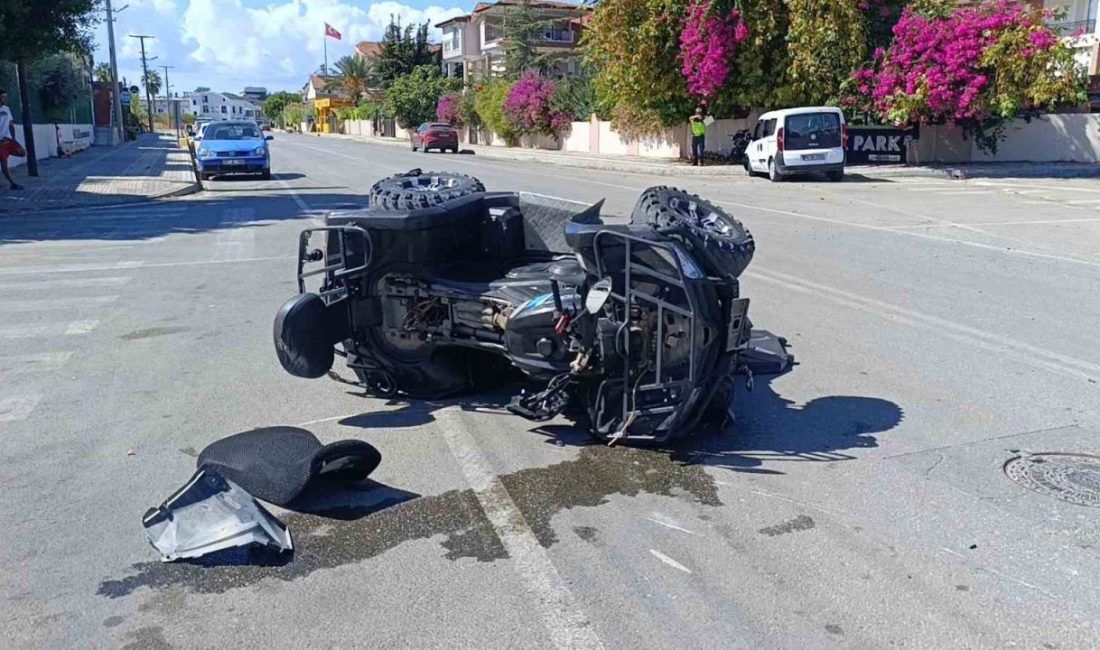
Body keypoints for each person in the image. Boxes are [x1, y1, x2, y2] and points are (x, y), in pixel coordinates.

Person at [0, 89, 24, 190]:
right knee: (4, 163)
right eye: (3, 97)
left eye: (6, 97)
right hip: (0, 141)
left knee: (23, 153)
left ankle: (6, 153)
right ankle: (12, 184)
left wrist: (13, 138)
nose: (6, 99)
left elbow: (10, 124)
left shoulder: (6, 109)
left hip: (8, 139)